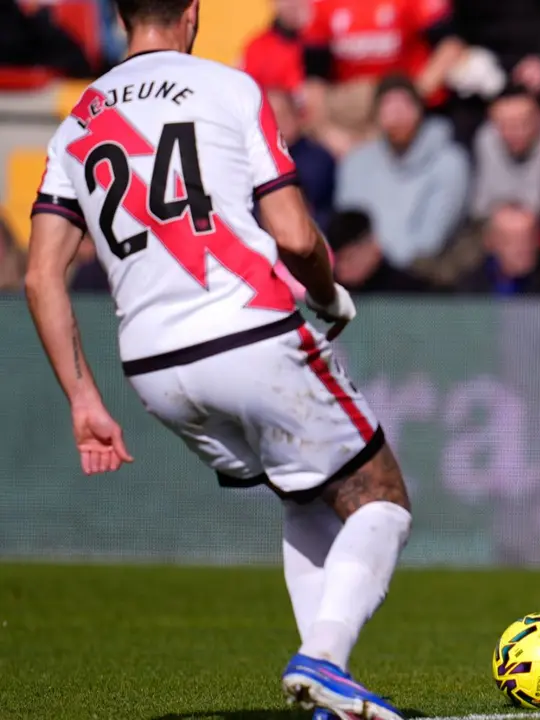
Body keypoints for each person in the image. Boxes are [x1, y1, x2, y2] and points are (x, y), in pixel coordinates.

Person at [23, 2, 411, 719]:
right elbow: (294, 235)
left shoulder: (78, 120)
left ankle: (326, 689)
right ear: (193, 14)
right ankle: (322, 658)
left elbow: (41, 274)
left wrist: (82, 398)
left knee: (304, 492)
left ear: (119, 15)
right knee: (379, 497)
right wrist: (328, 298)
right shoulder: (226, 87)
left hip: (149, 366)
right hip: (246, 329)